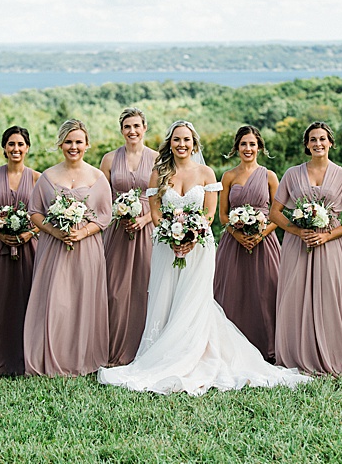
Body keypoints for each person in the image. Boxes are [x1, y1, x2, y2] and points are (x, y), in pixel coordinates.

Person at [98, 120, 312, 394]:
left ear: (194, 143)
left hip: (199, 247)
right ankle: (166, 353)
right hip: (166, 246)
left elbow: (210, 215)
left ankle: (197, 352)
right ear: (170, 143)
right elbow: (155, 213)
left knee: (193, 301)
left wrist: (190, 237)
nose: (182, 144)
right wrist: (171, 236)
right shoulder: (159, 173)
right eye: (177, 139)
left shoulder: (207, 173)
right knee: (167, 299)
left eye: (186, 140)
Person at [269, 122, 342, 376]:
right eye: (313, 139)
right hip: (296, 245)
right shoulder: (291, 174)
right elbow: (274, 213)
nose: (318, 143)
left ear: (330, 142)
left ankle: (329, 355)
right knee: (293, 295)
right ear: (306, 145)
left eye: (322, 139)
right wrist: (298, 231)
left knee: (329, 297)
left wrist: (327, 235)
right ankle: (293, 355)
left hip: (329, 247)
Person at [24, 119, 112, 377]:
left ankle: (83, 355)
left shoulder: (98, 177)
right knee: (56, 301)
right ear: (61, 144)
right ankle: (51, 354)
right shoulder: (48, 176)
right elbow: (35, 213)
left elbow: (105, 216)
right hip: (54, 247)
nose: (73, 147)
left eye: (78, 142)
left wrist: (82, 232)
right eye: (69, 142)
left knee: (83, 299)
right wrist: (56, 232)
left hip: (87, 248)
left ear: (87, 145)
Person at [214, 125, 282, 361]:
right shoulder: (229, 177)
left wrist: (260, 234)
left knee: (266, 292)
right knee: (233, 292)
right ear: (237, 147)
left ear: (259, 147)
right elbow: (222, 215)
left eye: (252, 144)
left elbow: (278, 213)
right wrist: (237, 233)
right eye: (243, 144)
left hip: (264, 243)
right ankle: (230, 348)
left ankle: (269, 348)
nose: (248, 148)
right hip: (234, 244)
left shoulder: (270, 176)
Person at [0, 126, 41, 377]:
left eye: (20, 144)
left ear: (27, 148)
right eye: (11, 144)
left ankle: (26, 359)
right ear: (4, 147)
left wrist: (30, 233)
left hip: (29, 249)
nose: (16, 149)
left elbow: (44, 216)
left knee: (27, 301)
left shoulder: (37, 177)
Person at [100, 108, 157, 366]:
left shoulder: (157, 159)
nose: (132, 131)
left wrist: (145, 219)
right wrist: (119, 215)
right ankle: (113, 347)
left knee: (146, 286)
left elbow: (164, 199)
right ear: (121, 130)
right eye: (127, 126)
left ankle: (145, 349)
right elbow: (101, 198)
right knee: (114, 289)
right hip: (117, 230)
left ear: (145, 128)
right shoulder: (110, 159)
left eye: (136, 125)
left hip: (149, 228)